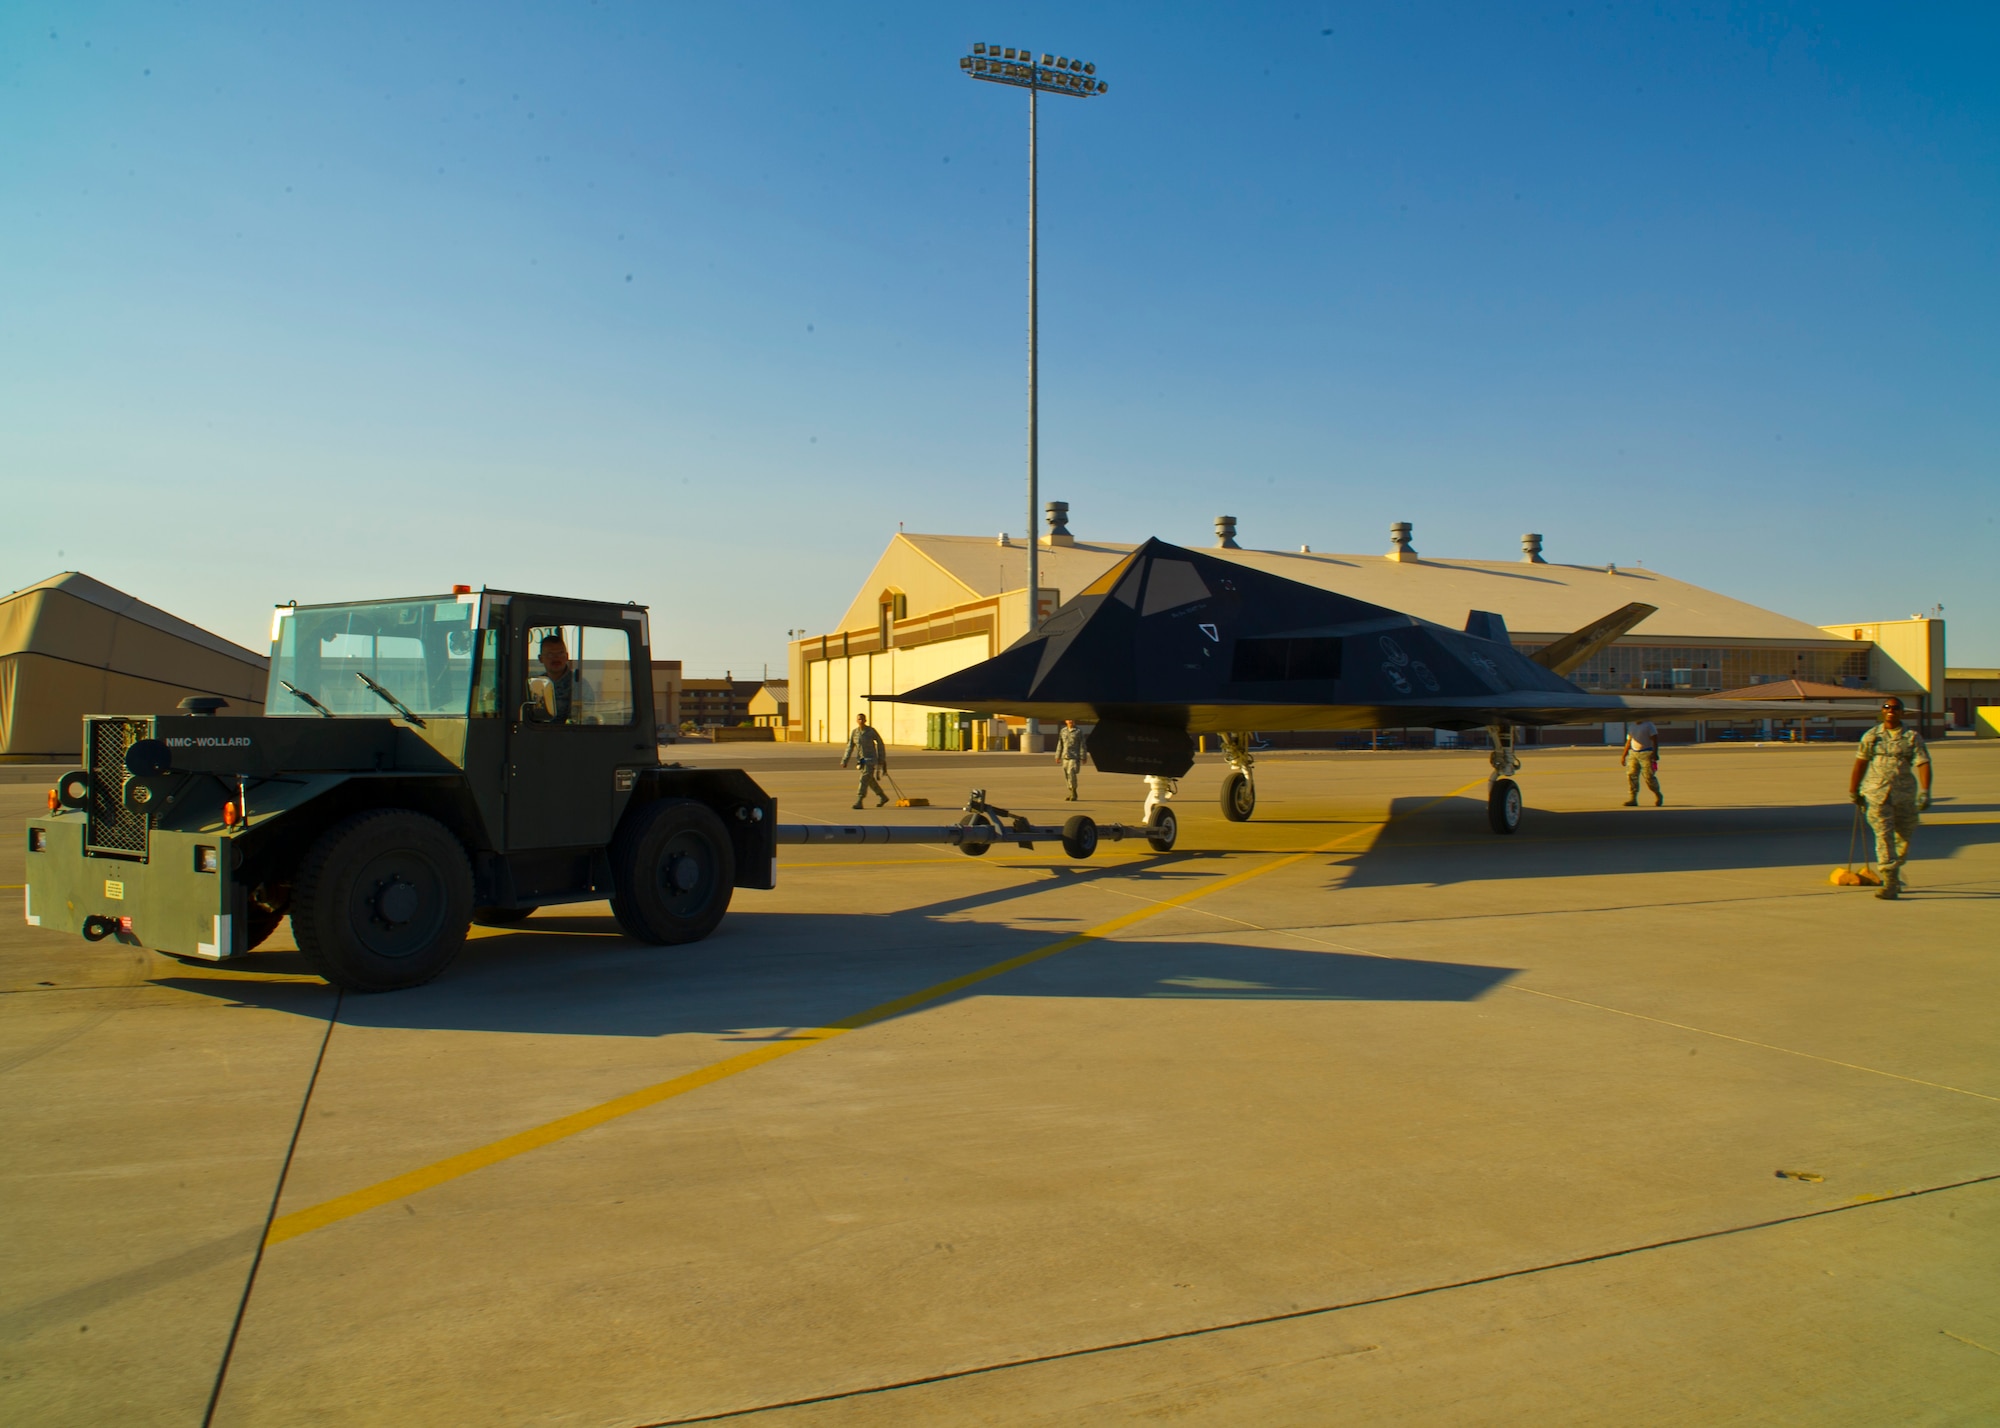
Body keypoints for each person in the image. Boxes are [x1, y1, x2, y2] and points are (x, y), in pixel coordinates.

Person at [1848, 697, 1931, 900]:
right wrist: (1854, 791)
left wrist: (1925, 791)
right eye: (1887, 707)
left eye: (1895, 708)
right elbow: (1860, 763)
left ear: (1902, 712)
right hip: (1876, 793)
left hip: (1904, 795)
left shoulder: (1912, 737)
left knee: (1904, 835)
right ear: (1882, 712)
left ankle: (1894, 868)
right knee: (1883, 836)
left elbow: (1923, 763)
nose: (1891, 710)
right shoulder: (1872, 736)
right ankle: (1890, 879)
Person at [534, 633, 592, 723]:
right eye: (550, 654)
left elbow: (586, 716)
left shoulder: (579, 685)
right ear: (541, 658)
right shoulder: (536, 685)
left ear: (567, 656)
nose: (556, 658)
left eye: (560, 653)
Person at [842, 713, 889, 809]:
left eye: (862, 719)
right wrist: (845, 760)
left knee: (864, 779)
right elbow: (850, 746)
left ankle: (859, 800)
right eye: (859, 719)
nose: (861, 721)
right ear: (856, 720)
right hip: (862, 760)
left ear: (865, 720)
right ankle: (882, 796)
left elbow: (880, 743)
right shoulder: (854, 732)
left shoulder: (871, 731)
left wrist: (881, 758)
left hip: (871, 759)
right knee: (869, 780)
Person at [1621, 719, 1663, 807]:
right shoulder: (1632, 726)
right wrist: (1623, 755)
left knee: (1649, 776)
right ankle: (1633, 799)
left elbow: (1655, 739)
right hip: (1633, 753)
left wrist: (1655, 753)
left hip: (1646, 753)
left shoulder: (1648, 725)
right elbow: (1629, 742)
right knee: (1631, 775)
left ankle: (1657, 794)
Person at [1056, 719, 1087, 801]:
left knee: (1071, 772)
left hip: (1074, 756)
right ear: (1066, 721)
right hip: (1065, 756)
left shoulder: (1078, 731)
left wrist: (1083, 756)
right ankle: (1071, 791)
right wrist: (1057, 755)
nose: (1070, 721)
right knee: (1066, 775)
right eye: (1069, 720)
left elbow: (1082, 744)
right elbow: (1060, 743)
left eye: (1072, 720)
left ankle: (1073, 792)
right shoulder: (1063, 731)